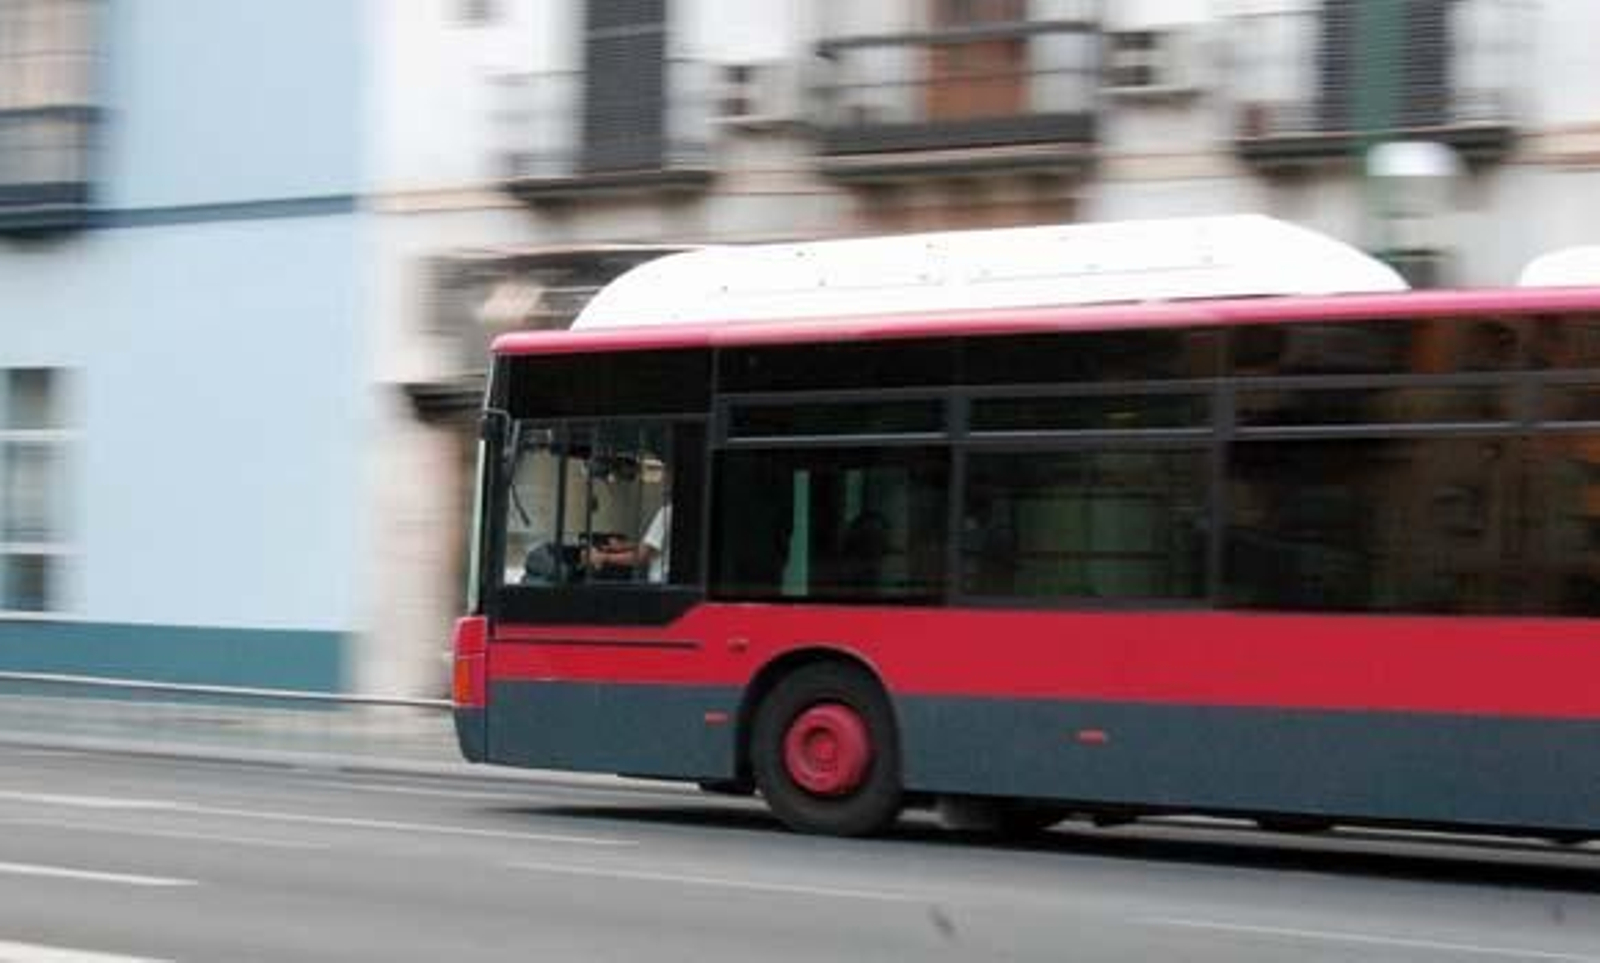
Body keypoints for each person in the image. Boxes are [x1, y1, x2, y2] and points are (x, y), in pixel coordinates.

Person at [585, 502, 671, 583]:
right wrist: (623, 546)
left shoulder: (667, 512)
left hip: (661, 583)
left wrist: (604, 557)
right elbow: (655, 545)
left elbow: (643, 555)